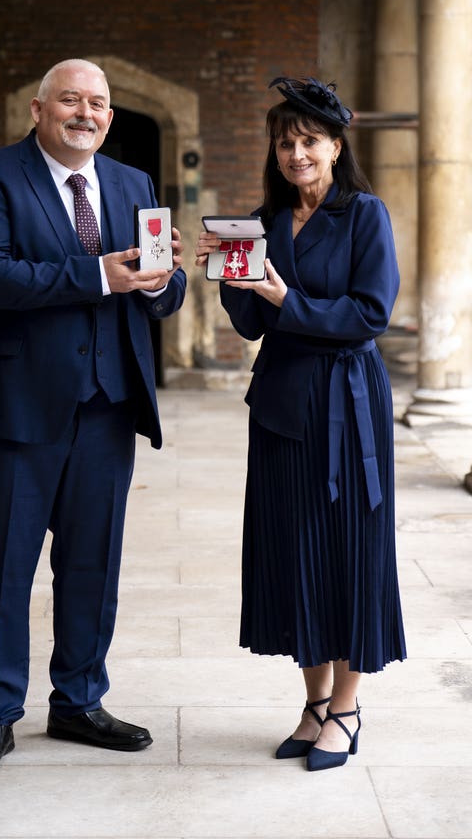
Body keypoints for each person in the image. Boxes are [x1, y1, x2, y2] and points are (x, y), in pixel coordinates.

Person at [0, 58, 186, 776]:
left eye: (99, 104)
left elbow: (159, 298)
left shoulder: (132, 183)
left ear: (110, 117)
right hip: (17, 408)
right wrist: (97, 274)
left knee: (92, 567)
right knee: (2, 570)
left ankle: (79, 700)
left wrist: (160, 280)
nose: (86, 113)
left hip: (107, 407)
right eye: (71, 101)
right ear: (37, 109)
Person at [195, 76, 406, 772]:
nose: (296, 153)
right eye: (285, 142)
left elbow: (369, 315)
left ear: (336, 146)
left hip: (349, 403)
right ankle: (314, 702)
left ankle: (346, 707)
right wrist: (233, 282)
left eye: (309, 140)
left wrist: (288, 298)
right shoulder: (261, 222)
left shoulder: (364, 214)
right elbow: (255, 325)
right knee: (294, 550)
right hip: (282, 405)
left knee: (349, 550)